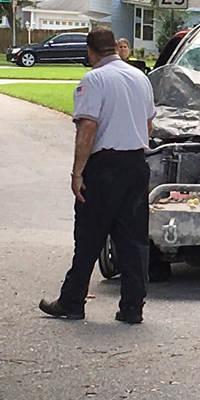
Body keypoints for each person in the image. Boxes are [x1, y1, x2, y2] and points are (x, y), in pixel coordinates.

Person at [39, 28, 155, 322]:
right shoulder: (140, 78)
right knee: (132, 240)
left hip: (105, 165)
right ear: (116, 47)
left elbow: (87, 129)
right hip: (136, 162)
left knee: (89, 236)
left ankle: (72, 301)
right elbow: (149, 124)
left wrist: (78, 172)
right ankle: (132, 307)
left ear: (90, 51)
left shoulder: (94, 80)